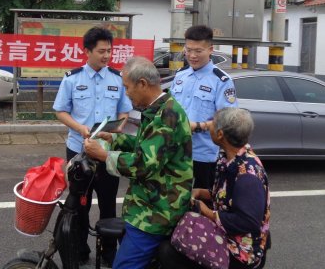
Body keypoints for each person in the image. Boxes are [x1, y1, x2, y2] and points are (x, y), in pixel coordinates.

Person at [84, 56, 193, 269]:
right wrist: (115, 139)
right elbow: (148, 145)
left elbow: (144, 164)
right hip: (150, 203)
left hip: (156, 213)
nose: (126, 93)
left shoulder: (167, 114)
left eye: (127, 87)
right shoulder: (159, 109)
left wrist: (104, 155)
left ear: (142, 83)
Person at [53, 26, 133, 266]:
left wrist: (120, 127)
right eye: (101, 51)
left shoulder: (118, 79)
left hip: (107, 152)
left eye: (109, 51)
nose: (106, 55)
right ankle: (79, 251)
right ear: (86, 51)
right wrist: (80, 128)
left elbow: (124, 110)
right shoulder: (72, 78)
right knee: (79, 205)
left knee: (108, 205)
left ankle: (109, 254)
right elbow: (60, 111)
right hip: (79, 150)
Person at [158, 107, 271, 269]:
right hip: (227, 234)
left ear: (220, 135)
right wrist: (202, 193)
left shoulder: (247, 175)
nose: (209, 125)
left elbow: (247, 222)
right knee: (176, 233)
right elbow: (229, 196)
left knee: (168, 252)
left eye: (213, 123)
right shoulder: (230, 158)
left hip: (241, 252)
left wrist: (207, 212)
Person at [170, 25, 238, 190]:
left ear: (210, 50)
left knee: (201, 208)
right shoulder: (180, 75)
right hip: (175, 152)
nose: (192, 56)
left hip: (202, 156)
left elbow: (227, 120)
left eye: (198, 51)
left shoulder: (221, 80)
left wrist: (199, 126)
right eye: (188, 50)